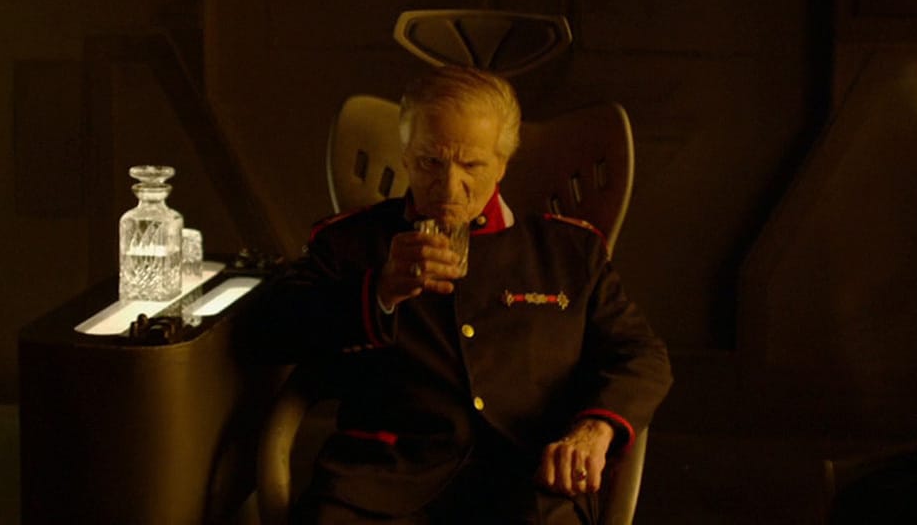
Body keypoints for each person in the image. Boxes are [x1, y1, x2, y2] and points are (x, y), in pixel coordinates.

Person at [264, 65, 672, 524]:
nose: (448, 187)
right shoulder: (349, 243)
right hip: (380, 483)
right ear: (405, 154)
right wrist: (377, 290)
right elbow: (273, 327)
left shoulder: (570, 252)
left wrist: (594, 429)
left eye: (471, 165)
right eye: (430, 162)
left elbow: (641, 354)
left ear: (502, 163)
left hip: (531, 481)